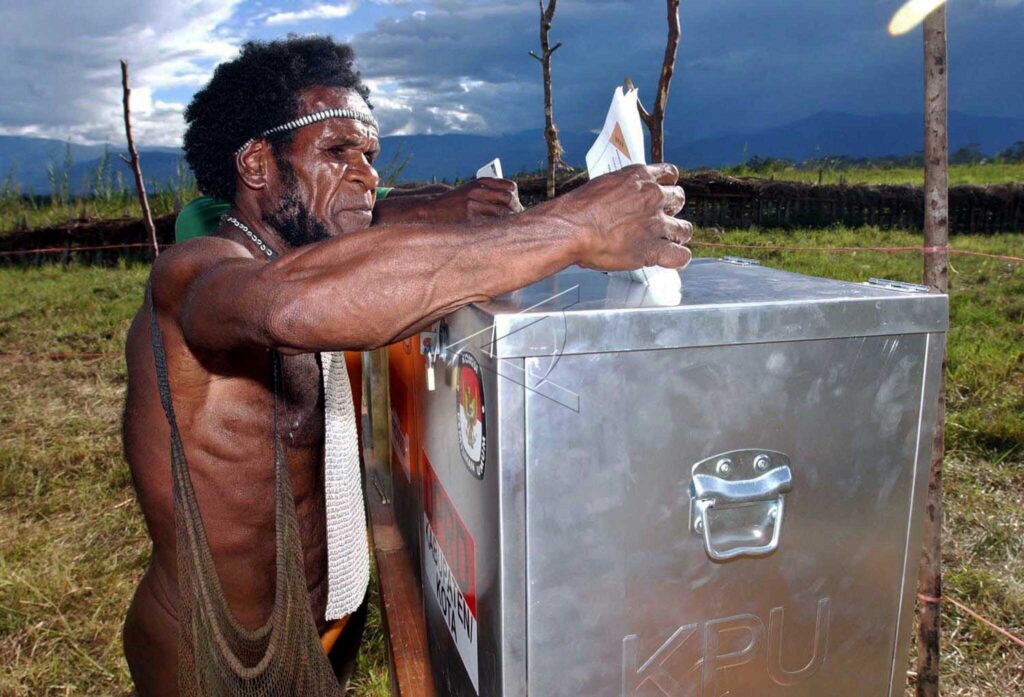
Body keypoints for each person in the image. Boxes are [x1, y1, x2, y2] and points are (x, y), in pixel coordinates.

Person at [121, 36, 692, 697]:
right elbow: (295, 304)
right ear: (256, 163)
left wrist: (492, 222)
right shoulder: (195, 274)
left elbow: (388, 243)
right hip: (205, 659)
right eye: (337, 152)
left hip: (305, 636)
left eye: (370, 154)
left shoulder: (317, 247)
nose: (365, 173)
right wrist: (570, 228)